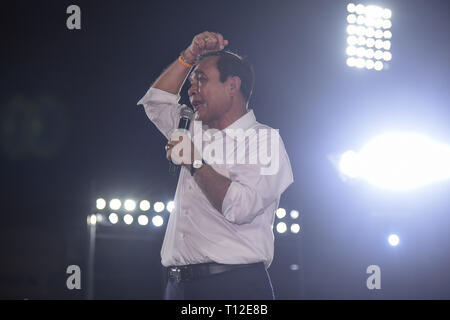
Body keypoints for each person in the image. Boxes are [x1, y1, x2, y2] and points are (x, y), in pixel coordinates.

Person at [137, 31, 293, 300]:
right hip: (178, 286)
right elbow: (155, 102)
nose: (191, 89)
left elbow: (241, 207)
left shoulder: (265, 140)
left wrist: (195, 162)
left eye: (201, 80)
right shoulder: (193, 128)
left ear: (232, 86)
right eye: (192, 80)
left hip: (233, 286)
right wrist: (188, 57)